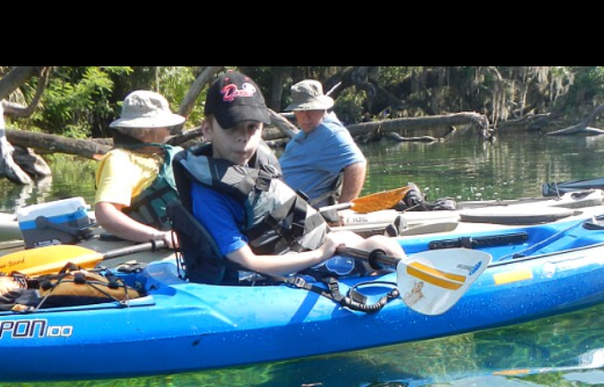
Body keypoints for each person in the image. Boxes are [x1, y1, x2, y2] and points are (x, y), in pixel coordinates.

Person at [172, 72, 403, 286]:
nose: (244, 138)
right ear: (207, 129)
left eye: (252, 127)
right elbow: (246, 262)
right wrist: (320, 254)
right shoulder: (208, 196)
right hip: (280, 269)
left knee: (381, 247)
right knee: (382, 247)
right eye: (232, 128)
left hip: (305, 247)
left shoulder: (254, 163)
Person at [93, 90, 185, 252]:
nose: (168, 131)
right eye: (165, 126)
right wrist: (157, 235)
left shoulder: (168, 153)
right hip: (161, 242)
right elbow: (105, 214)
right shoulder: (120, 160)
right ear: (146, 130)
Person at [279, 79, 368, 207]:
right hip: (277, 204)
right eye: (301, 110)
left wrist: (342, 209)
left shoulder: (331, 133)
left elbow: (357, 165)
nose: (306, 116)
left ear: (322, 108)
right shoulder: (309, 131)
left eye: (311, 109)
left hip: (299, 215)